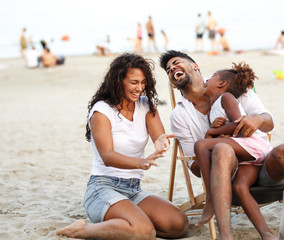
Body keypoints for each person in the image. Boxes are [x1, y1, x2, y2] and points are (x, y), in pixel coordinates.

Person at [159, 50, 284, 240]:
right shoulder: (180, 115)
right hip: (231, 176)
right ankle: (225, 232)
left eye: (176, 63)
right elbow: (195, 168)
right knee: (221, 150)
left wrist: (256, 119)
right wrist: (216, 146)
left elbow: (268, 123)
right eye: (168, 70)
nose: (172, 68)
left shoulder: (231, 88)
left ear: (195, 66)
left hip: (264, 164)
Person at [56, 53, 188, 240]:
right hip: (103, 188)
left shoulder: (146, 105)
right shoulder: (102, 111)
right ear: (119, 81)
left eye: (143, 83)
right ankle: (78, 230)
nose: (139, 88)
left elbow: (158, 136)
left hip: (133, 189)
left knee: (178, 224)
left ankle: (127, 226)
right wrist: (140, 163)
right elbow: (107, 156)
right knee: (144, 232)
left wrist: (160, 143)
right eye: (134, 82)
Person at [194, 63, 275, 239]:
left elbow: (240, 126)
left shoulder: (227, 98)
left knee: (200, 145)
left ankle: (210, 199)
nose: (207, 79)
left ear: (222, 83)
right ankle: (266, 234)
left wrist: (212, 132)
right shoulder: (212, 111)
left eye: (213, 76)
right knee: (240, 188)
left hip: (252, 145)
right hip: (247, 159)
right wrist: (215, 131)